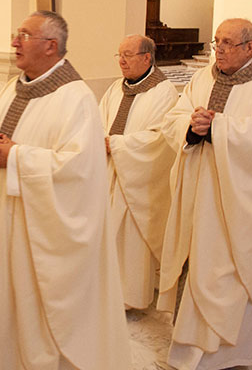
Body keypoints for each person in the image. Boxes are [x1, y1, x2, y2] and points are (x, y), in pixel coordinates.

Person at [0, 11, 131, 370]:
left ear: (50, 46)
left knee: (29, 317)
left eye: (24, 35)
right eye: (16, 33)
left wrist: (16, 157)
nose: (13, 42)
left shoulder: (75, 98)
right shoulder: (13, 87)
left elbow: (79, 171)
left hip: (33, 236)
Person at [159, 18, 252, 370]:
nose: (218, 49)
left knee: (229, 267)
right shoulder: (205, 76)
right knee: (196, 261)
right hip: (198, 188)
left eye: (227, 43)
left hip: (240, 200)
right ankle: (189, 348)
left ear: (250, 47)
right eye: (216, 42)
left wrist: (218, 126)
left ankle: (227, 353)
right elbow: (175, 113)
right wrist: (190, 126)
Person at [98, 34, 177, 310]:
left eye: (127, 55)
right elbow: (99, 121)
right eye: (119, 55)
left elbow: (160, 139)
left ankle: (129, 298)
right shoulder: (115, 89)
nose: (121, 61)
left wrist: (117, 144)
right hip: (109, 172)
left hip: (138, 177)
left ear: (146, 58)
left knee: (130, 238)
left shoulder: (164, 92)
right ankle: (104, 291)